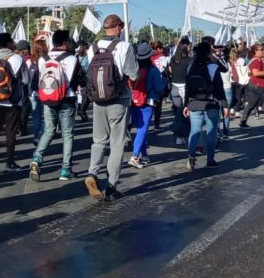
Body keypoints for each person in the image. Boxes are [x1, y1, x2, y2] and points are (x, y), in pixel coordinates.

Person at [84, 14, 138, 201]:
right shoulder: (125, 47)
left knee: (99, 140)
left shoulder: (93, 48)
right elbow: (133, 74)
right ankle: (111, 186)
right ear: (117, 28)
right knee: (117, 144)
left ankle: (92, 173)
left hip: (98, 100)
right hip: (119, 99)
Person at [31, 29, 82, 181]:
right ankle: (66, 170)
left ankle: (37, 158)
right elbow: (80, 80)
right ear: (65, 42)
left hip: (47, 99)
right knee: (67, 134)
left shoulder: (43, 59)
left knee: (48, 130)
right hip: (67, 99)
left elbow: (36, 82)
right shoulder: (72, 59)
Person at [0, 33, 27, 173]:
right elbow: (25, 80)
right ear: (8, 43)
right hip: (13, 102)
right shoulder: (18, 58)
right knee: (10, 132)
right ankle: (9, 162)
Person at [183, 41, 226, 171]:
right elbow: (219, 88)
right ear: (208, 52)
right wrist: (225, 105)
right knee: (211, 132)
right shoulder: (213, 67)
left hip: (194, 103)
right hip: (211, 103)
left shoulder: (191, 67)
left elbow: (188, 88)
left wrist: (186, 104)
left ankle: (191, 156)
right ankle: (210, 159)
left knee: (195, 131)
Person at [126, 42, 167, 169]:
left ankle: (144, 154)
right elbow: (160, 87)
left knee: (139, 129)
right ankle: (135, 156)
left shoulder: (134, 68)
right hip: (148, 102)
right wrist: (165, 80)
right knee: (143, 130)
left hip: (134, 100)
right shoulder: (153, 70)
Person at [167, 39, 193, 147]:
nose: (190, 48)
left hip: (174, 88)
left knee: (177, 113)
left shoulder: (173, 59)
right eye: (189, 46)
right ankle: (188, 135)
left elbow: (170, 71)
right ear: (185, 47)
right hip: (184, 87)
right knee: (186, 113)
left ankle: (178, 137)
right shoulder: (189, 60)